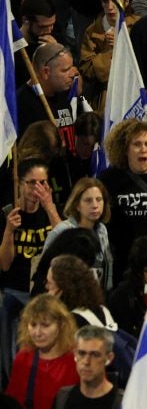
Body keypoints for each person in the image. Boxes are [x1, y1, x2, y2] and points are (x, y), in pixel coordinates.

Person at [1, 159, 61, 371]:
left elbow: (64, 245)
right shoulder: (8, 213)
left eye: (42, 183)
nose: (37, 188)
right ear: (20, 183)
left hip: (45, 293)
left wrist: (50, 208)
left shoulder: (52, 211)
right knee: (13, 357)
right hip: (14, 293)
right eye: (31, 182)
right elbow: (4, 265)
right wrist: (9, 231)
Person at [98, 118, 147, 271]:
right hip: (122, 263)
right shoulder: (108, 179)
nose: (143, 149)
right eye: (137, 144)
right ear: (125, 149)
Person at [77, 0, 139, 111]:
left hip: (134, 92)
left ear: (126, 1)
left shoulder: (138, 26)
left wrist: (123, 44)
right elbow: (86, 69)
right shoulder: (92, 31)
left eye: (115, 1)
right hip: (106, 97)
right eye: (105, 1)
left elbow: (145, 60)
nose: (110, 6)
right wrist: (110, 51)